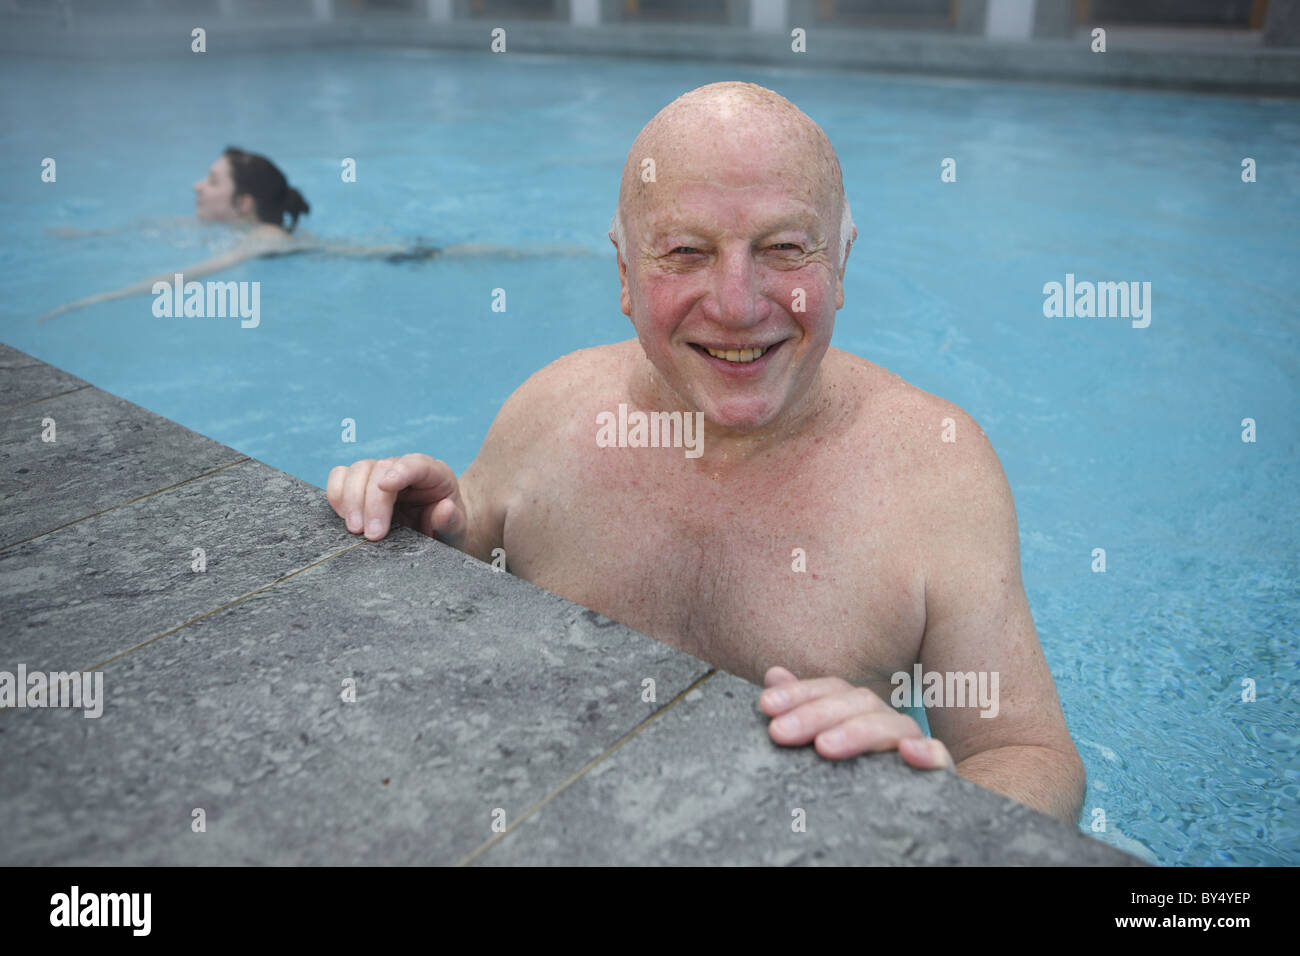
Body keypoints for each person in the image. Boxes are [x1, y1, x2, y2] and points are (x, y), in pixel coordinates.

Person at [326, 82, 1087, 826]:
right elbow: (461, 582)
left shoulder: (937, 472)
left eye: (785, 248)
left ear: (842, 262)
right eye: (686, 252)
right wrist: (426, 530)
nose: (736, 303)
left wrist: (938, 798)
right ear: (624, 273)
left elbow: (1027, 752)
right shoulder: (549, 415)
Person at [40, 146, 581, 322]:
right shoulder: (236, 226)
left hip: (401, 258)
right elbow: (157, 228)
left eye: (210, 181)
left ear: (244, 205)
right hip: (385, 250)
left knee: (501, 256)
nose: (194, 187)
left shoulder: (264, 241)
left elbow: (186, 278)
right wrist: (82, 235)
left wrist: (98, 298)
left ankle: (569, 252)